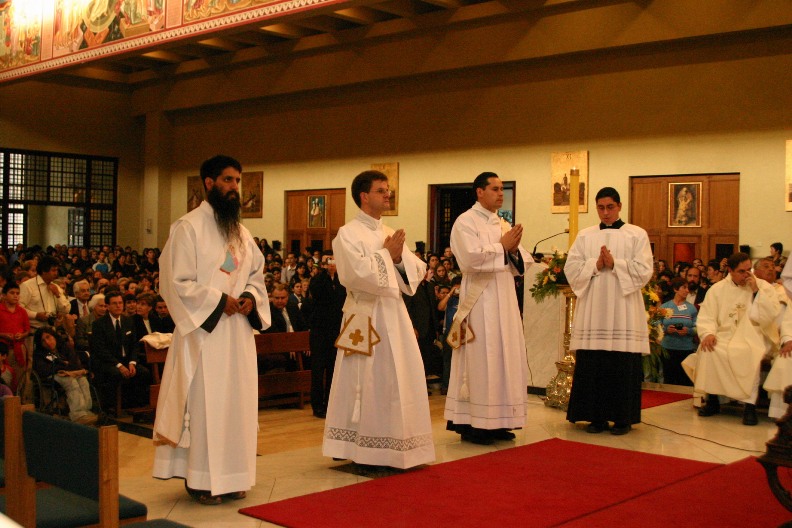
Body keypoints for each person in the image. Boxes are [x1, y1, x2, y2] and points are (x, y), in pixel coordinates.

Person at [152, 155, 270, 505]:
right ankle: (200, 479)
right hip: (204, 335)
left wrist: (249, 297)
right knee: (206, 406)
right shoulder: (187, 228)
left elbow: (256, 276)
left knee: (237, 404)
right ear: (208, 183)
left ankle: (234, 476)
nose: (236, 188)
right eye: (228, 180)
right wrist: (220, 301)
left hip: (237, 336)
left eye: (238, 181)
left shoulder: (242, 233)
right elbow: (175, 282)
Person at [323, 170, 434, 469]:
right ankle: (365, 449)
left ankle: (394, 444)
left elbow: (414, 273)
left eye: (388, 190)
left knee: (395, 379)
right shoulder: (347, 234)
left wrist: (397, 258)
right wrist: (387, 256)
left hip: (393, 314)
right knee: (367, 381)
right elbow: (353, 275)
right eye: (381, 190)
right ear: (364, 196)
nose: (387, 195)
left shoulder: (390, 231)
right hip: (365, 315)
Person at [444, 172, 533, 445]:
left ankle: (498, 422)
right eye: (494, 189)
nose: (500, 193)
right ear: (479, 192)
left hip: (504, 300)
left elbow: (523, 260)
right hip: (480, 302)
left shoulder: (502, 223)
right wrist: (502, 248)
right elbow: (468, 259)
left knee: (503, 358)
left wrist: (513, 251)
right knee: (481, 359)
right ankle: (473, 424)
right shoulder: (465, 222)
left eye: (501, 189)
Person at [564, 187, 654, 435]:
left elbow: (645, 269)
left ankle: (622, 418)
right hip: (594, 308)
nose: (605, 213)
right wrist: (595, 264)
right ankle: (596, 417)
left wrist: (616, 264)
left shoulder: (636, 234)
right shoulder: (585, 235)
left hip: (623, 309)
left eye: (610, 207)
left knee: (621, 364)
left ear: (619, 206)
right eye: (601, 208)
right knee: (594, 364)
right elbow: (571, 269)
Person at [684, 253, 780, 425]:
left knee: (749, 352)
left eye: (748, 270)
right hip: (724, 335)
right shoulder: (718, 289)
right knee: (709, 349)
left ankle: (749, 407)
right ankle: (712, 400)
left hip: (753, 333)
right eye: (741, 271)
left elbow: (770, 315)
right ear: (730, 270)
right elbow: (707, 316)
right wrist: (708, 334)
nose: (746, 275)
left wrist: (756, 292)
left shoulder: (762, 286)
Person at [90, 290, 152, 412]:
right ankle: (112, 406)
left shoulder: (128, 321)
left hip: (126, 360)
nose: (118, 306)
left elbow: (134, 344)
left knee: (144, 372)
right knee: (115, 373)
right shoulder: (99, 324)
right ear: (107, 306)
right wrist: (119, 365)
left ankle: (137, 406)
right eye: (114, 303)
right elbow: (100, 350)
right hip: (109, 362)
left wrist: (132, 362)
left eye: (120, 303)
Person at [33, 326, 98, 424]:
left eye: (48, 337)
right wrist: (63, 365)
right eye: (43, 341)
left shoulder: (65, 347)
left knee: (83, 380)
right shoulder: (39, 354)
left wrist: (66, 367)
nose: (47, 342)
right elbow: (44, 369)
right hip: (52, 375)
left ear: (54, 336)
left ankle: (86, 411)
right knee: (70, 381)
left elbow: (75, 364)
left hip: (70, 373)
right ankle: (78, 414)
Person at [308, 253, 345, 419]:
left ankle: (330, 403)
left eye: (334, 262)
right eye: (328, 262)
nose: (331, 265)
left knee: (332, 368)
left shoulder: (340, 281)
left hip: (335, 330)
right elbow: (315, 293)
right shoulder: (318, 279)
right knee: (317, 369)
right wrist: (324, 273)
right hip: (319, 330)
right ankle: (317, 405)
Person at [660, 277, 697, 386]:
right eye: (684, 287)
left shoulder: (692, 309)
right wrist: (666, 330)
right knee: (669, 380)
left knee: (685, 381)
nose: (687, 290)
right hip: (668, 348)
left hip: (686, 349)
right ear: (676, 289)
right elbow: (654, 325)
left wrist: (688, 331)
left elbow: (698, 327)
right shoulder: (664, 307)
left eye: (688, 288)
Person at [0, 281, 30, 392]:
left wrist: (22, 335)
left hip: (19, 348)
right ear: (4, 295)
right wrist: (3, 335)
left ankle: (19, 402)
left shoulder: (22, 311)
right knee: (5, 377)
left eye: (17, 293)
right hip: (3, 349)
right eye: (12, 293)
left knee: (20, 377)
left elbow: (27, 330)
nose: (15, 296)